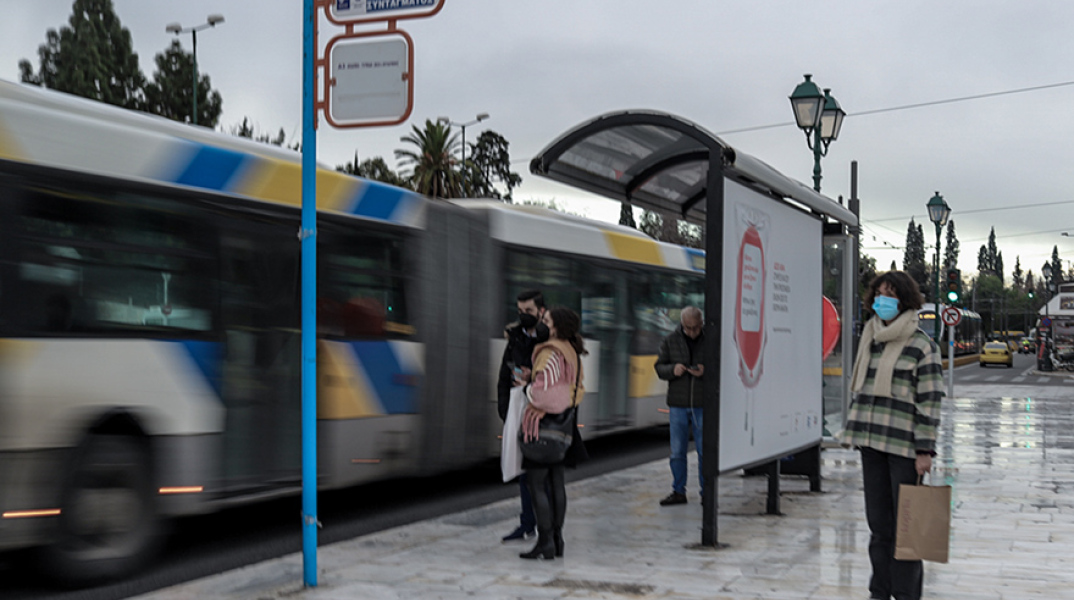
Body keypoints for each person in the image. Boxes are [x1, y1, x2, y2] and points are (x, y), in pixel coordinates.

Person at [843, 271, 943, 600]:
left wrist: (925, 450)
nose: (881, 300)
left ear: (904, 300)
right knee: (879, 527)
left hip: (904, 448)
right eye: (878, 294)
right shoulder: (870, 338)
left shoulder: (922, 345)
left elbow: (930, 399)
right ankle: (879, 592)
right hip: (871, 443)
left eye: (890, 294)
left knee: (907, 530)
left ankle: (905, 594)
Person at [517, 306, 587, 560]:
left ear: (556, 328)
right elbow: (570, 389)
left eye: (546, 321)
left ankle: (545, 541)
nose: (542, 324)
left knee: (537, 485)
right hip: (563, 430)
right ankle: (557, 541)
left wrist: (527, 387)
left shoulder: (550, 352)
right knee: (557, 482)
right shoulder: (571, 351)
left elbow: (545, 395)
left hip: (542, 429)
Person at [497, 290, 546, 542]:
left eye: (528, 311)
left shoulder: (550, 339)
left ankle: (547, 528)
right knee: (524, 470)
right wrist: (505, 410)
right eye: (520, 311)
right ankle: (527, 523)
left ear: (541, 311)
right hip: (519, 409)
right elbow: (504, 375)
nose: (523, 315)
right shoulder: (516, 337)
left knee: (542, 474)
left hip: (542, 411)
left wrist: (532, 376)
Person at [653, 306, 704, 506]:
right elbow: (659, 367)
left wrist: (705, 372)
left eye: (696, 327)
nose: (692, 332)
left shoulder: (710, 340)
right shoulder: (670, 340)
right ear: (682, 324)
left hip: (702, 404)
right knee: (677, 452)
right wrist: (672, 369)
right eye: (688, 328)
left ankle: (706, 492)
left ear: (701, 323)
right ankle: (678, 491)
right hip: (677, 404)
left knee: (704, 451)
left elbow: (721, 366)